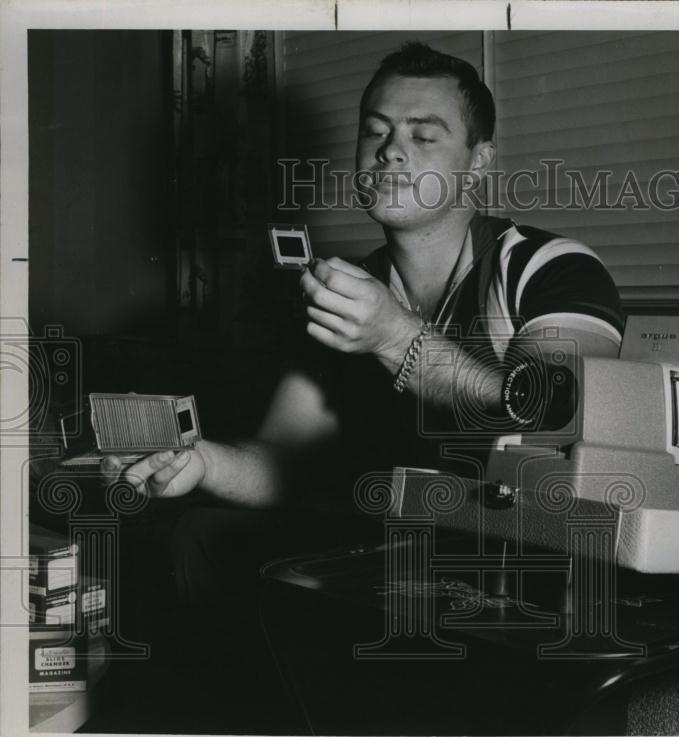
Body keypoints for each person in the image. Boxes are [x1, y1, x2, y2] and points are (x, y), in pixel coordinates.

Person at [103, 41, 624, 512]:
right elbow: (286, 460)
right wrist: (202, 463)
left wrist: (396, 337)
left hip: (529, 566)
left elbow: (559, 410)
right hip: (390, 559)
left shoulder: (548, 266)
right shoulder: (345, 293)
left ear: (478, 162)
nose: (390, 150)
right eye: (375, 130)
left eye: (423, 136)